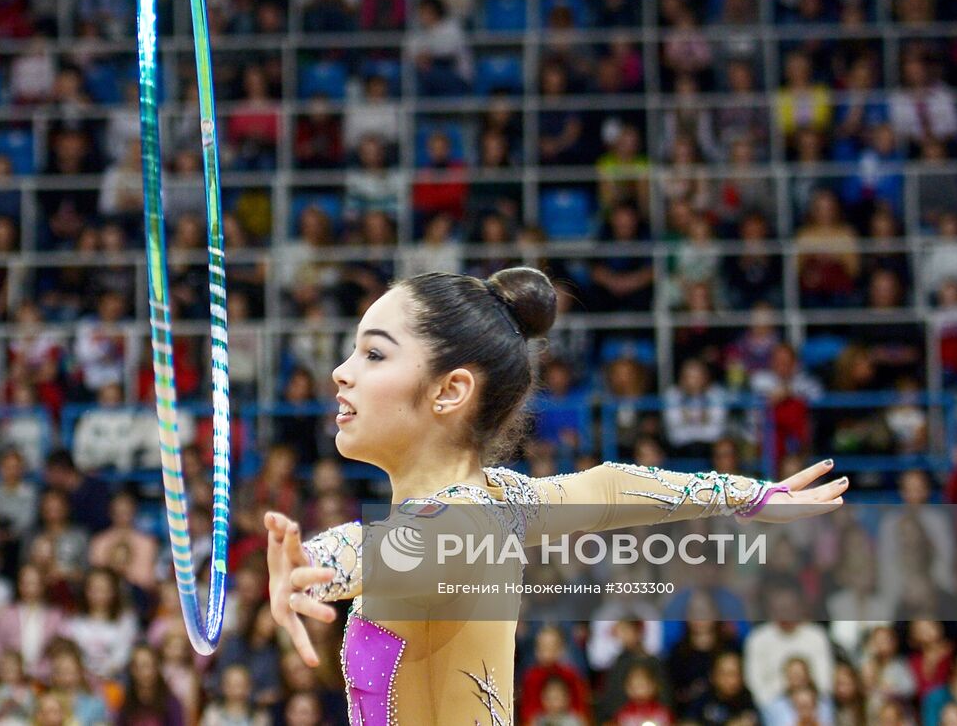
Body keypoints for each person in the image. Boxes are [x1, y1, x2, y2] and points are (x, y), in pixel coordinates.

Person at [263, 267, 848, 724]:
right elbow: (614, 485)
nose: (342, 372)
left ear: (450, 390)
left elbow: (387, 548)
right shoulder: (502, 502)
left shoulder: (463, 524)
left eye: (373, 353)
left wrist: (314, 563)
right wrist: (748, 494)